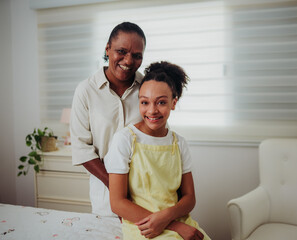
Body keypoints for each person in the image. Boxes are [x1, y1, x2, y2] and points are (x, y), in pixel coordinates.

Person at [105, 61, 211, 239]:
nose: (152, 110)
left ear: (173, 103)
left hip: (178, 220)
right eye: (144, 102)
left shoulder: (179, 144)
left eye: (161, 102)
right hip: (143, 225)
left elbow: (189, 197)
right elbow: (117, 203)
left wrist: (169, 218)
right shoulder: (125, 140)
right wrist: (173, 225)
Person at [70, 22, 146, 217]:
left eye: (137, 55)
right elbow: (81, 148)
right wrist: (117, 187)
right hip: (105, 197)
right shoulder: (86, 91)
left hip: (148, 192)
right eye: (121, 51)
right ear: (107, 49)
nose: (128, 61)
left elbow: (158, 132)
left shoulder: (147, 87)